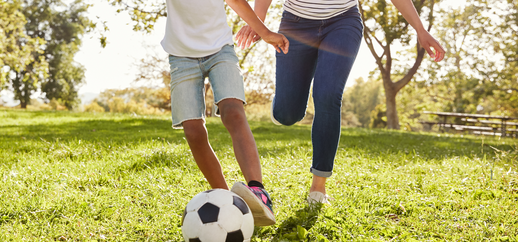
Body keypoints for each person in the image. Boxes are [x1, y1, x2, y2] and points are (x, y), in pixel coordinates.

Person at [235, 0, 445, 204]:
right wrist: (258, 22)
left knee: (328, 95)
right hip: (296, 24)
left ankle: (318, 187)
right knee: (287, 114)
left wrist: (420, 29)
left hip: (343, 23)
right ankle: (284, 104)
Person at [162, 0, 289, 226]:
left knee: (233, 112)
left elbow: (238, 3)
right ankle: (225, 199)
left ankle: (258, 192)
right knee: (193, 131)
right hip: (181, 57)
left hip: (220, 50)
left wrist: (266, 33)